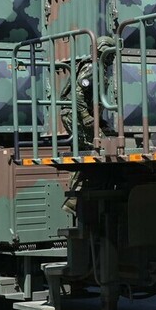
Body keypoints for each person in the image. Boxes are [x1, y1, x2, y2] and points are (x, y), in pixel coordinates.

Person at [59, 35, 114, 214]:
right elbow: (78, 92)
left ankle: (75, 201)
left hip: (79, 115)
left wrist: (100, 122)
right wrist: (85, 116)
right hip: (74, 115)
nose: (113, 58)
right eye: (111, 53)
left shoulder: (98, 67)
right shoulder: (92, 67)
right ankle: (75, 200)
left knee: (92, 154)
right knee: (103, 150)